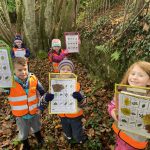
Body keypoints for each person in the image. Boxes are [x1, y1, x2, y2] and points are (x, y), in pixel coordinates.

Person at [0, 57, 53, 150]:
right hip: (20, 115)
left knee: (37, 127)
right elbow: (2, 89)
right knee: (23, 132)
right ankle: (26, 144)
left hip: (34, 111)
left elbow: (42, 92)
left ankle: (40, 139)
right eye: (19, 70)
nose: (23, 72)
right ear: (13, 70)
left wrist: (42, 104)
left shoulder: (33, 78)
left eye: (25, 69)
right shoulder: (9, 82)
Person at [40, 59, 88, 145]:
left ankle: (79, 139)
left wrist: (80, 98)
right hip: (63, 115)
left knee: (77, 130)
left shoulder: (76, 85)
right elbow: (43, 101)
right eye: (63, 69)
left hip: (75, 116)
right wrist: (46, 98)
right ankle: (69, 138)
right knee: (66, 130)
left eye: (68, 69)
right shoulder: (55, 85)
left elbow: (85, 103)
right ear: (59, 71)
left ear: (72, 72)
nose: (65, 71)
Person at [108, 61, 150, 150]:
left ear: (149, 81)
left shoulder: (148, 98)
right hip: (121, 134)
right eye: (133, 74)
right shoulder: (122, 91)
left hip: (136, 140)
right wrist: (114, 113)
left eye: (140, 75)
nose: (135, 77)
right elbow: (112, 105)